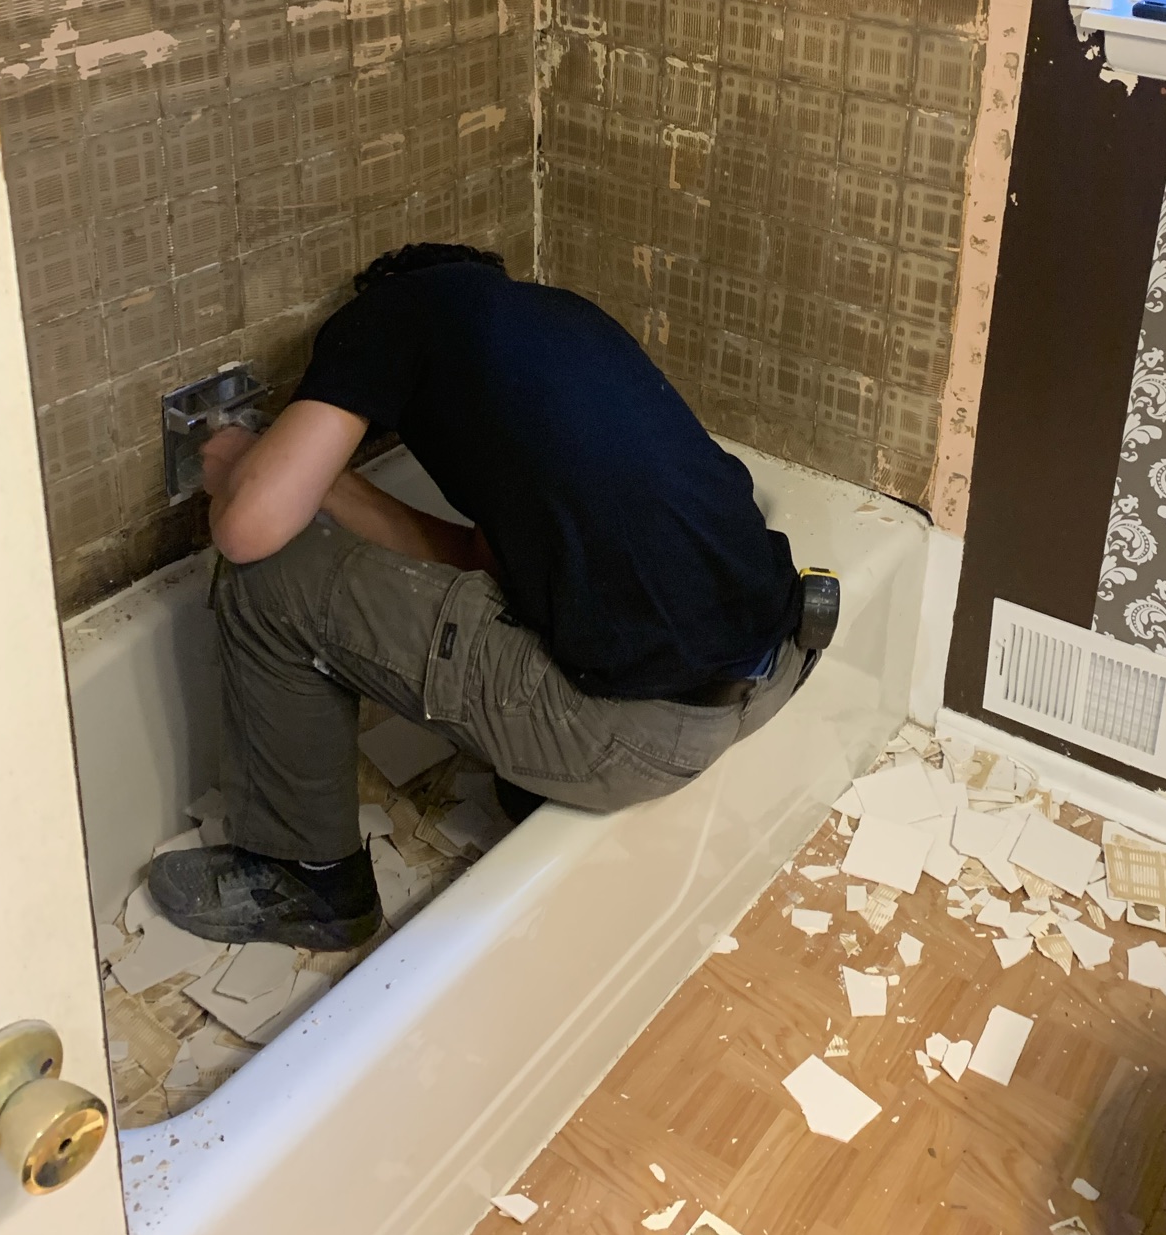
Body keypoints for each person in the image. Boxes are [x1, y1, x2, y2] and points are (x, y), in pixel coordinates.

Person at [148, 242, 828, 953]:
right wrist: (331, 484)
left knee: (269, 581)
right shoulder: (557, 325)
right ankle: (539, 782)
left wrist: (237, 468)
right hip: (768, 674)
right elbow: (485, 562)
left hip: (636, 737)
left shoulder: (388, 317)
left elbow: (249, 533)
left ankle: (306, 876)